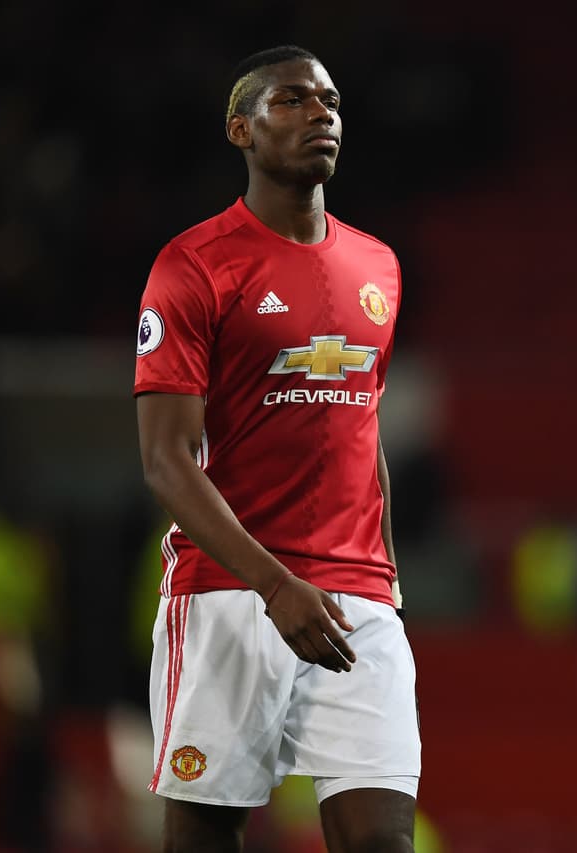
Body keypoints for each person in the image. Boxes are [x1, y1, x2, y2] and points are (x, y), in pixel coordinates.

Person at [134, 45, 418, 853]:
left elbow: (362, 427)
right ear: (241, 130)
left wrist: (386, 579)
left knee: (382, 839)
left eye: (329, 100)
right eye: (291, 100)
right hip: (231, 592)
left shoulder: (379, 265)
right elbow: (165, 460)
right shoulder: (192, 266)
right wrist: (274, 583)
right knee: (207, 836)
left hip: (358, 598)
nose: (320, 113)